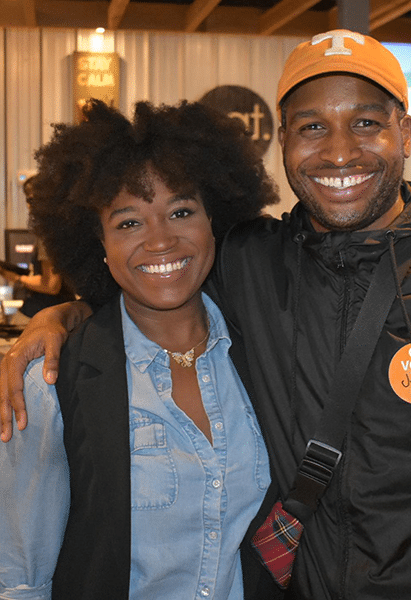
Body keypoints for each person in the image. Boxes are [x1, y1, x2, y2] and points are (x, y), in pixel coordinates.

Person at [2, 29, 411, 599]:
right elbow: (156, 273)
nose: (339, 152)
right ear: (284, 140)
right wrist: (60, 317)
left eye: (366, 123)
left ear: (406, 133)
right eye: (312, 127)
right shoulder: (252, 262)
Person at [0, 99, 283, 599]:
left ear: (214, 219)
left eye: (180, 211)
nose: (160, 241)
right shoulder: (53, 381)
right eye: (129, 222)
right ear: (99, 243)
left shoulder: (262, 350)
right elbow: (23, 575)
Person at [0, 176, 75, 318]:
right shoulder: (62, 226)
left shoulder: (48, 231)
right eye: (29, 200)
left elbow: (51, 285)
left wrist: (16, 277)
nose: (30, 205)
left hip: (51, 314)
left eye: (33, 200)